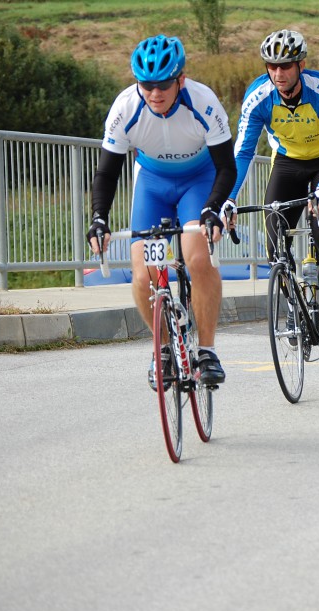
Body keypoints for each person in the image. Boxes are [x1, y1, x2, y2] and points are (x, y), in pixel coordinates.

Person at [87, 35, 236, 387]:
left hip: (198, 181)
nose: (155, 93)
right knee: (143, 276)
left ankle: (208, 350)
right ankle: (163, 350)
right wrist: (99, 218)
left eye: (164, 84)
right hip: (152, 184)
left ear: (180, 80)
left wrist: (213, 209)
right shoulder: (125, 108)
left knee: (197, 258)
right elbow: (107, 172)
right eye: (147, 85)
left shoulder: (204, 102)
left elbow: (226, 167)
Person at [222, 29, 319, 341]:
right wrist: (228, 198)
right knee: (274, 240)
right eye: (272, 66)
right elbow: (243, 152)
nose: (278, 73)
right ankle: (295, 308)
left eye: (285, 66)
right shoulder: (259, 98)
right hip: (287, 162)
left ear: (301, 65)